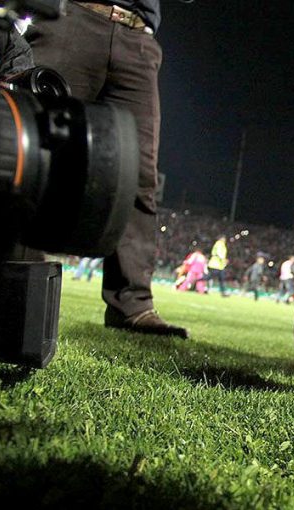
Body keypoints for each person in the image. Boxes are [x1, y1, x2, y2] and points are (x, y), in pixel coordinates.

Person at [24, 1, 188, 338]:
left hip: (138, 36)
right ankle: (17, 283)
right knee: (36, 150)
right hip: (72, 16)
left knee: (139, 174)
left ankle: (132, 304)